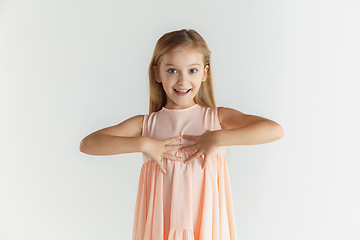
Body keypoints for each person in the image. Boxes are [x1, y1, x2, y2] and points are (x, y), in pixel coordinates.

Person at [79, 29, 284, 240]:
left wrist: (219, 138)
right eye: (172, 70)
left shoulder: (216, 119)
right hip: (162, 230)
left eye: (192, 71)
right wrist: (144, 145)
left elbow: (274, 130)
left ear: (205, 73)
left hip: (205, 229)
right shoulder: (147, 125)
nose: (182, 80)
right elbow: (89, 144)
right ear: (157, 73)